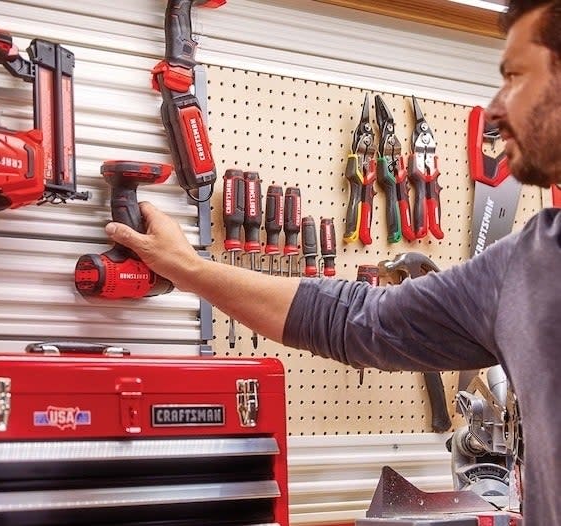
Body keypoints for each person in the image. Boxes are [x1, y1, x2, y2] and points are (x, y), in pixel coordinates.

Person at [104, 1, 560, 524]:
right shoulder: (524, 265)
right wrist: (191, 270)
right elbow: (354, 319)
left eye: (516, 76)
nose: (497, 108)